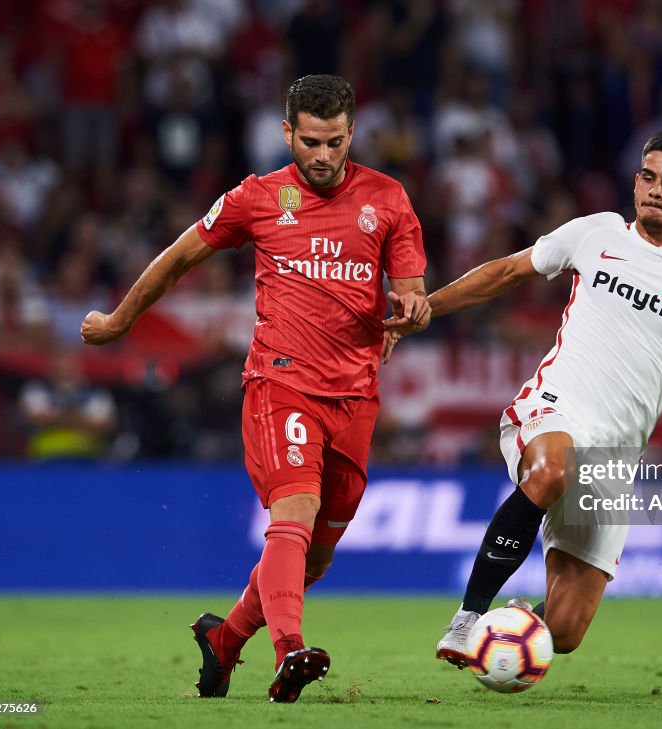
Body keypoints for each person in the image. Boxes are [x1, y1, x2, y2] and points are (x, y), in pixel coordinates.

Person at [81, 75, 430, 702]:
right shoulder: (257, 197)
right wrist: (119, 321)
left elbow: (412, 290)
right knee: (291, 515)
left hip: (354, 396)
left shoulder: (390, 199)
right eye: (311, 142)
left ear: (352, 133)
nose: (323, 156)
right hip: (280, 383)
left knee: (315, 558)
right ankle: (289, 653)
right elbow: (180, 256)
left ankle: (224, 641)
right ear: (287, 133)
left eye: (335, 142)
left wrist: (410, 310)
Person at [387, 131, 662, 661]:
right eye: (648, 176)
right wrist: (426, 310)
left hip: (613, 462)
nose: (655, 190)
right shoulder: (596, 233)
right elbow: (505, 272)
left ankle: (515, 624)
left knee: (566, 633)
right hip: (554, 409)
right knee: (552, 469)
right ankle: (468, 618)